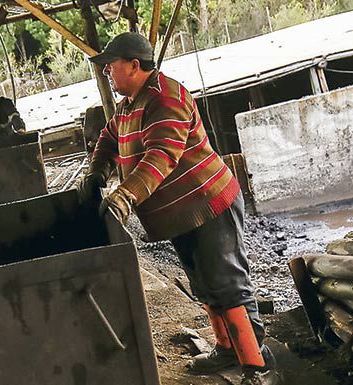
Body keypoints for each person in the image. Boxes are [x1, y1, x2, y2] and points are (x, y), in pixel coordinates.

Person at [77, 32, 278, 385]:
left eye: (111, 66)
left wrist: (125, 195)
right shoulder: (129, 105)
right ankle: (226, 349)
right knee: (203, 284)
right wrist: (97, 174)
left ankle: (258, 366)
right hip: (180, 213)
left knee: (227, 284)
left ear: (134, 65)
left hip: (208, 204)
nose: (107, 72)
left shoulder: (166, 97)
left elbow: (161, 156)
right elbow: (110, 138)